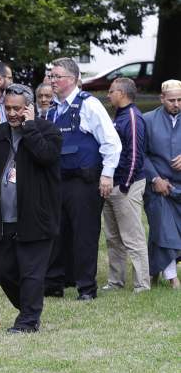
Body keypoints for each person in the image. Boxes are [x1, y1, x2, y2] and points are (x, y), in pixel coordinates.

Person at [0, 84, 62, 333]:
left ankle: (27, 321)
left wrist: (30, 126)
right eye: (8, 108)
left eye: (17, 109)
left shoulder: (48, 132)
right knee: (4, 272)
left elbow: (45, 157)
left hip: (36, 218)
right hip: (1, 218)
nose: (12, 113)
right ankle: (29, 309)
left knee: (32, 273)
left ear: (29, 108)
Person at [44, 57, 121, 300]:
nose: (52, 81)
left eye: (57, 76)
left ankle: (86, 288)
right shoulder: (52, 110)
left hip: (84, 182)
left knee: (84, 235)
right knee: (56, 233)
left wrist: (107, 175)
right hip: (58, 181)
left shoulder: (89, 105)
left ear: (73, 79)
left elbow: (111, 142)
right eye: (51, 76)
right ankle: (54, 284)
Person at [102, 77, 149, 292]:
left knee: (133, 237)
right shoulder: (118, 115)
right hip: (112, 185)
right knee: (113, 238)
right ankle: (115, 281)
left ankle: (142, 284)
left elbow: (135, 155)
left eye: (111, 91)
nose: (108, 95)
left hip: (125, 185)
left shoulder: (131, 117)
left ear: (121, 93)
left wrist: (125, 184)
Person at [141, 78, 181, 288]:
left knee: (161, 231)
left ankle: (153, 271)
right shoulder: (147, 120)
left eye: (180, 100)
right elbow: (141, 154)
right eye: (172, 100)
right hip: (157, 186)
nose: (176, 104)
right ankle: (172, 277)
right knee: (164, 226)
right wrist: (155, 179)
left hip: (180, 188)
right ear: (162, 98)